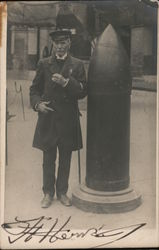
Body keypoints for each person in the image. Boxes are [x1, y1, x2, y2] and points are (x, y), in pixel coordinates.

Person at [30, 28, 87, 208]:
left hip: (68, 119)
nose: (60, 46)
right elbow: (34, 90)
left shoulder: (77, 64)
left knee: (65, 157)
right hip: (49, 117)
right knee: (48, 158)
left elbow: (83, 91)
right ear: (53, 44)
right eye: (57, 43)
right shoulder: (44, 63)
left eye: (63, 42)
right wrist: (38, 104)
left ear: (69, 43)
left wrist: (66, 83)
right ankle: (48, 193)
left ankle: (62, 192)